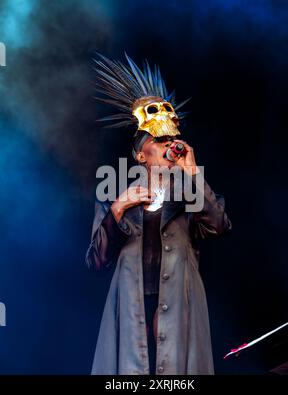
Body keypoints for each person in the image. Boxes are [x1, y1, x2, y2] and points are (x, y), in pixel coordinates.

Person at [86, 54, 232, 375]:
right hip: (131, 310)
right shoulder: (113, 196)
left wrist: (193, 175)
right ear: (141, 154)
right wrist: (117, 209)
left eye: (172, 139)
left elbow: (220, 225)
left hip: (179, 312)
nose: (170, 146)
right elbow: (96, 261)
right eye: (159, 140)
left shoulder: (190, 197)